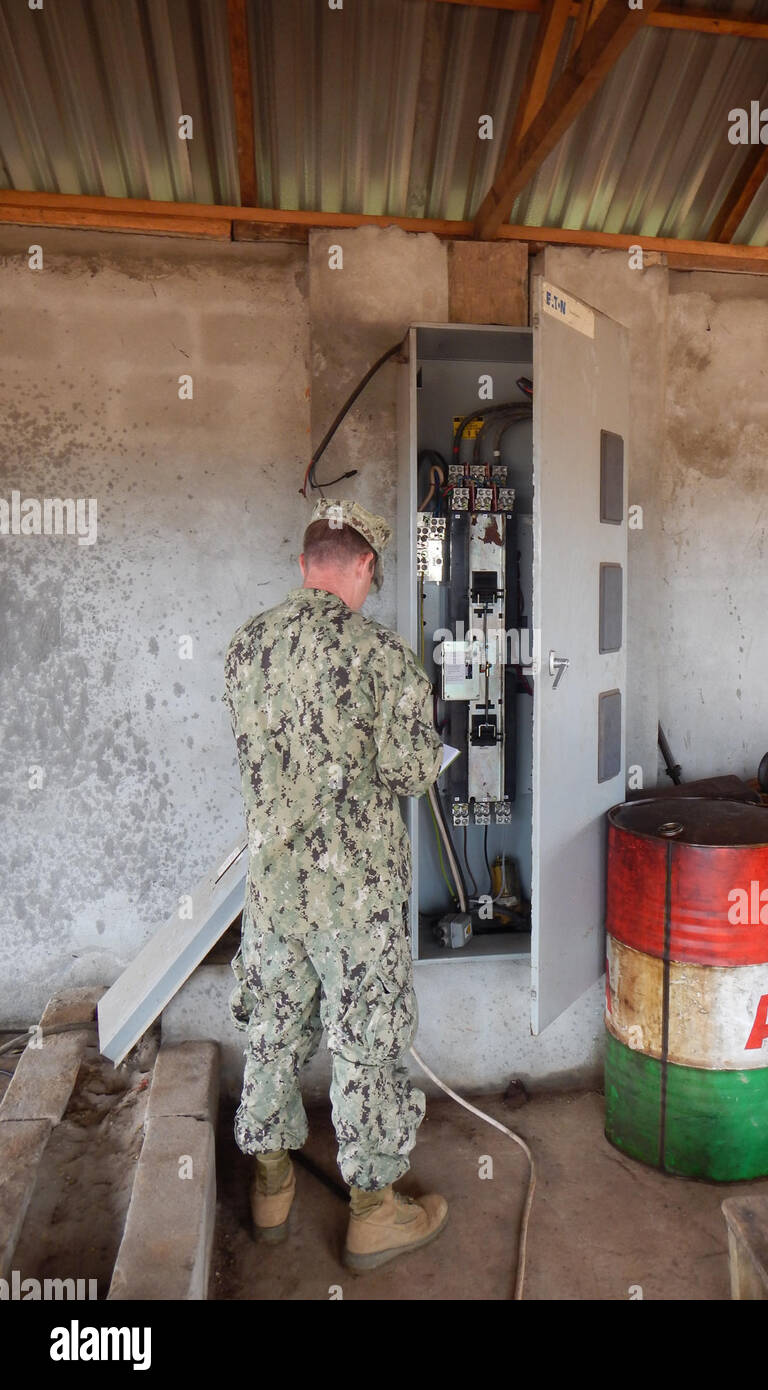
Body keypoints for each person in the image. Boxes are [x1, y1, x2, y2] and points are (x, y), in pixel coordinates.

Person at [222, 496, 448, 1271]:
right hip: (357, 902)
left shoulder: (245, 648)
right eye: (370, 574)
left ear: (302, 565)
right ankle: (374, 1212)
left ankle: (272, 1186)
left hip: (276, 892)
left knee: (273, 1034)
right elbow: (413, 774)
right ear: (360, 566)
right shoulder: (384, 658)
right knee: (366, 1047)